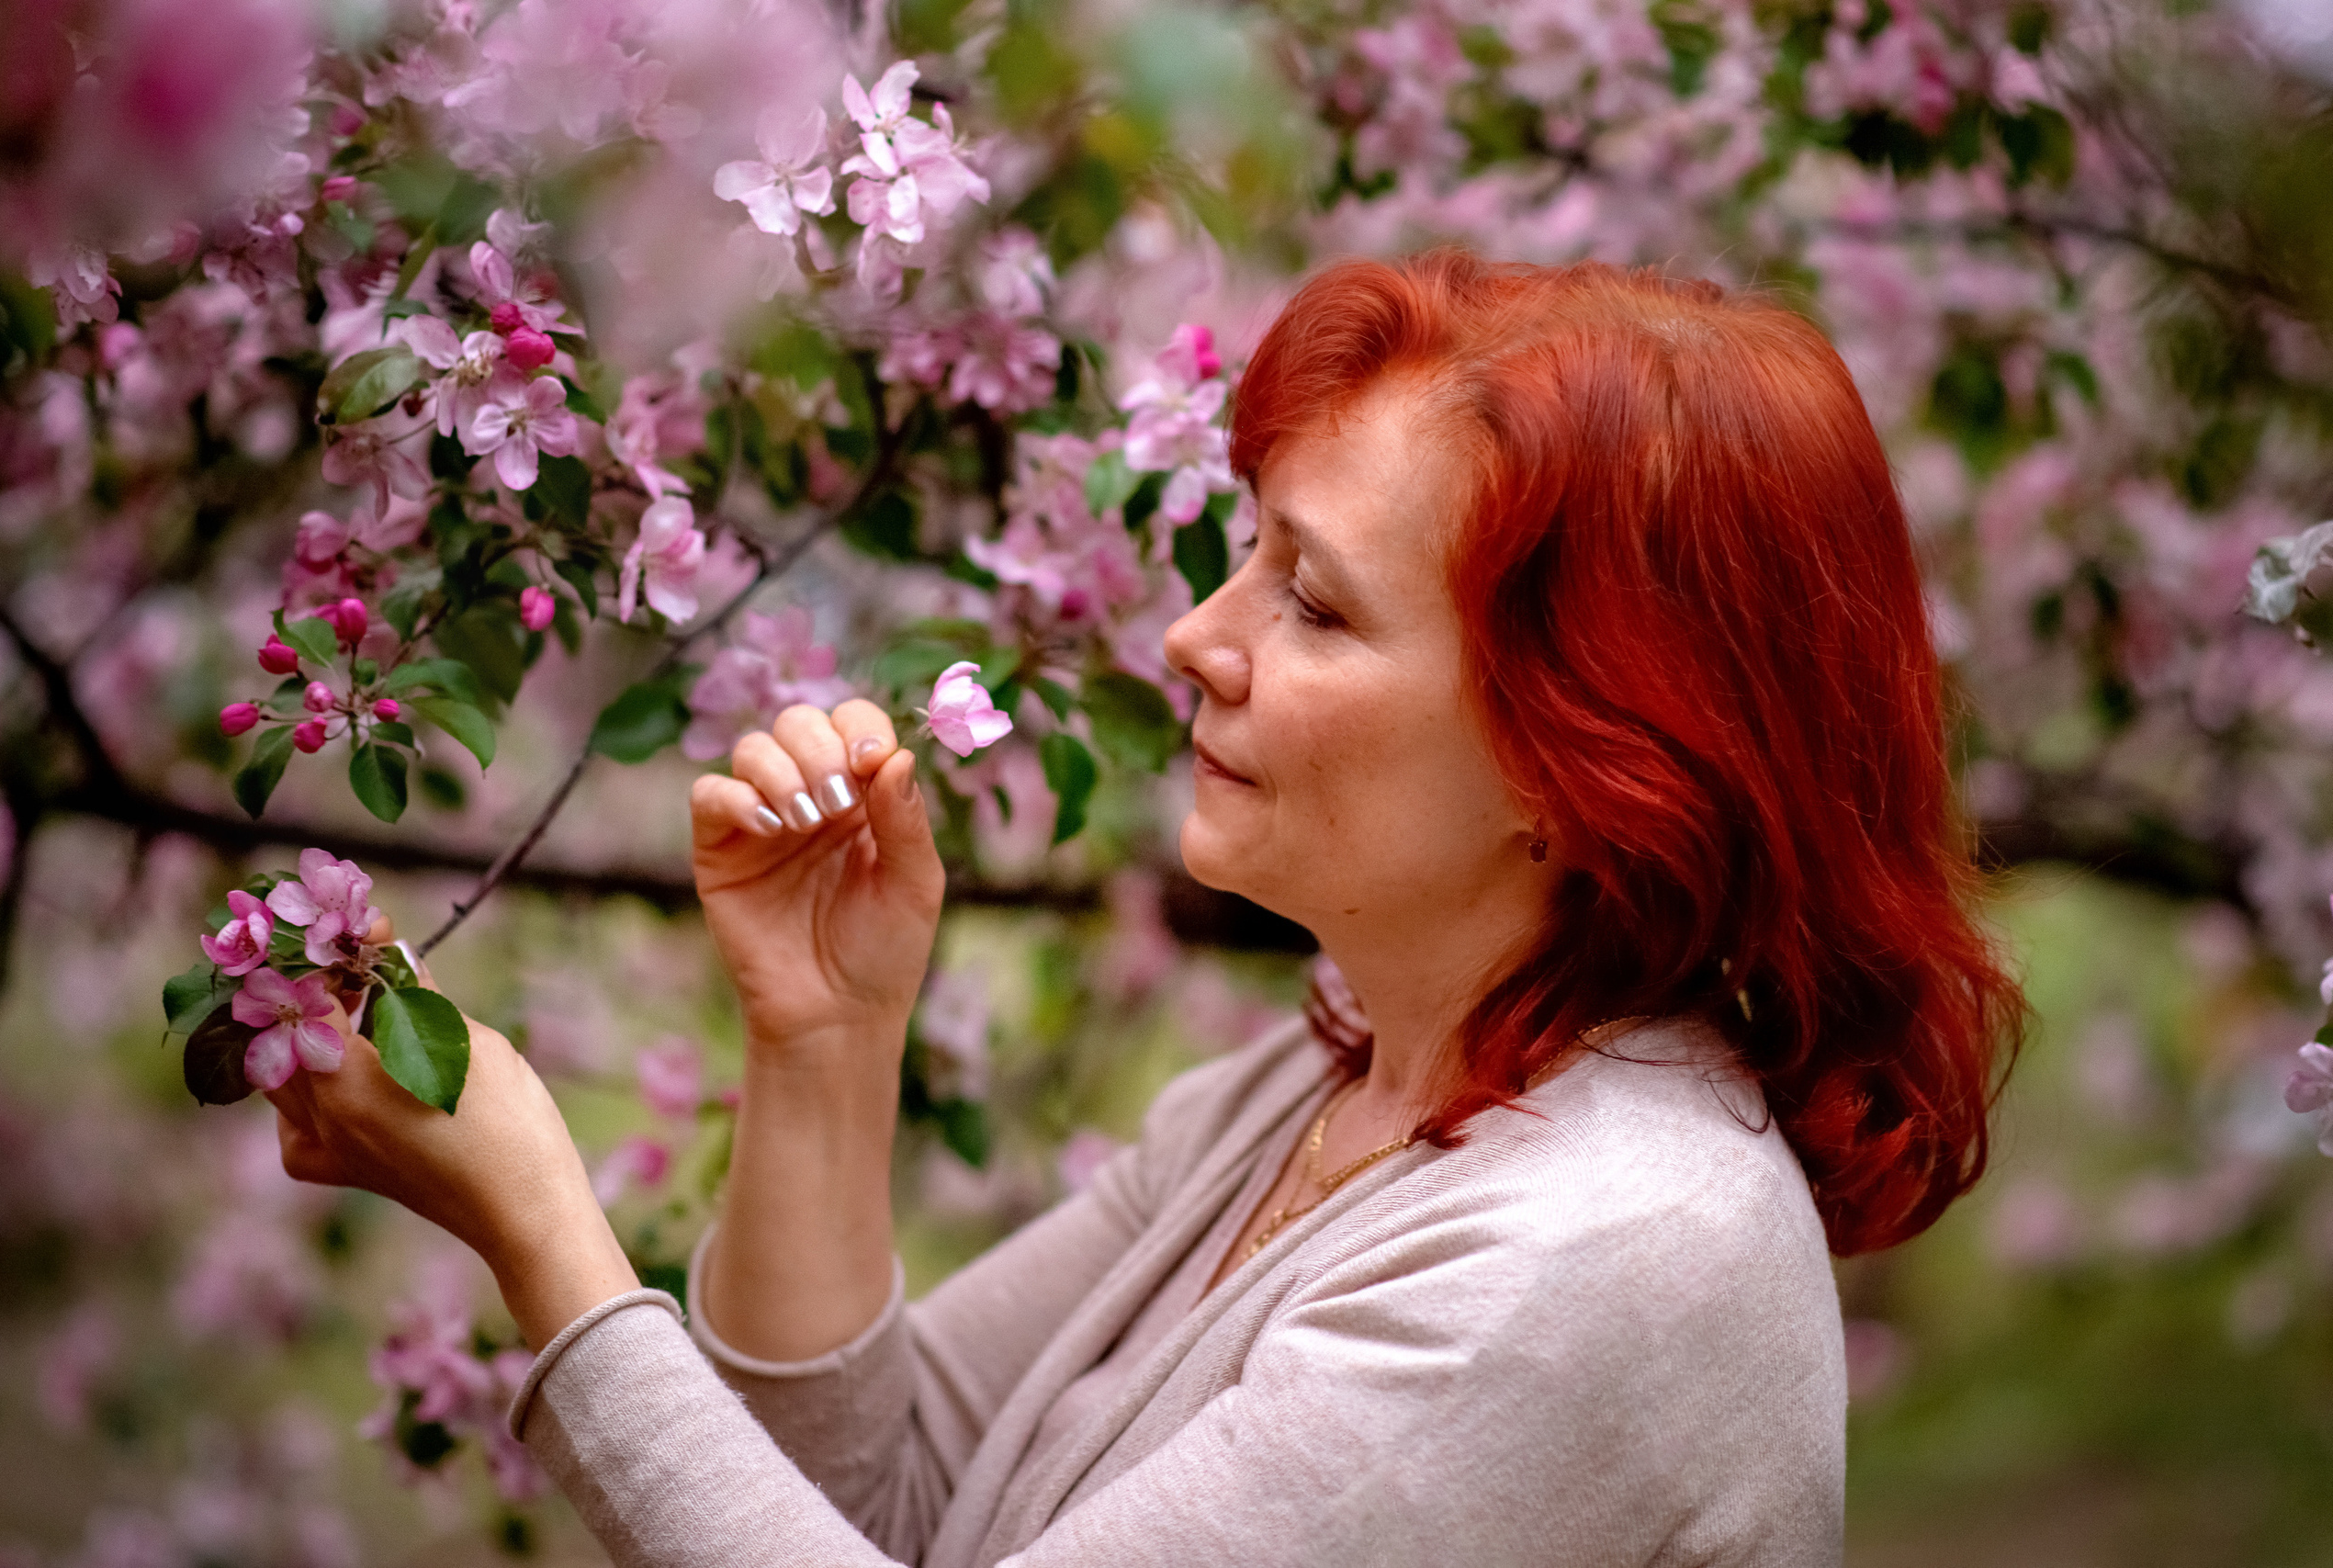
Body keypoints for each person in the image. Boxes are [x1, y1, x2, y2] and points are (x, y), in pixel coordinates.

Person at [265, 251, 2022, 1566]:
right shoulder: (1313, 1101)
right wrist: (829, 1035)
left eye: (1315, 609)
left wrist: (543, 1233)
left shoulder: (1600, 1258)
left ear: (1593, 755)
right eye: (1247, 550)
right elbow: (865, 1499)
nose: (1195, 633)